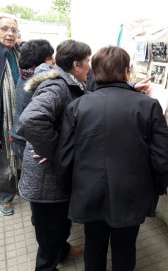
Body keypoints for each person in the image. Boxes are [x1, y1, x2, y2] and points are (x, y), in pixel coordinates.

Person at [53, 46, 168, 271]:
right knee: (125, 247)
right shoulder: (147, 105)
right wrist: (157, 187)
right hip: (131, 193)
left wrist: (70, 188)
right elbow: (164, 155)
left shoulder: (77, 106)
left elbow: (65, 157)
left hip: (88, 191)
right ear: (126, 71)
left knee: (94, 246)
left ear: (94, 71)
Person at [16, 39, 91, 270]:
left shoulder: (67, 82)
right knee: (49, 232)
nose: (90, 66)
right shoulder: (57, 86)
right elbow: (31, 119)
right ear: (76, 64)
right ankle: (49, 262)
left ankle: (62, 250)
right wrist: (54, 150)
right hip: (45, 178)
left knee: (59, 224)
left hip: (53, 176)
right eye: (88, 61)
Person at [9, 39, 55, 160]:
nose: (54, 61)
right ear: (39, 61)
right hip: (29, 142)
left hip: (18, 136)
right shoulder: (40, 80)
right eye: (50, 58)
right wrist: (44, 147)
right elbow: (34, 119)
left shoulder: (24, 74)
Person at [0, 15, 20, 216]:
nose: (9, 34)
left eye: (13, 30)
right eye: (4, 29)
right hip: (2, 117)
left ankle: (16, 186)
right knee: (5, 159)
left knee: (17, 154)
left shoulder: (16, 53)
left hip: (17, 114)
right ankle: (5, 197)